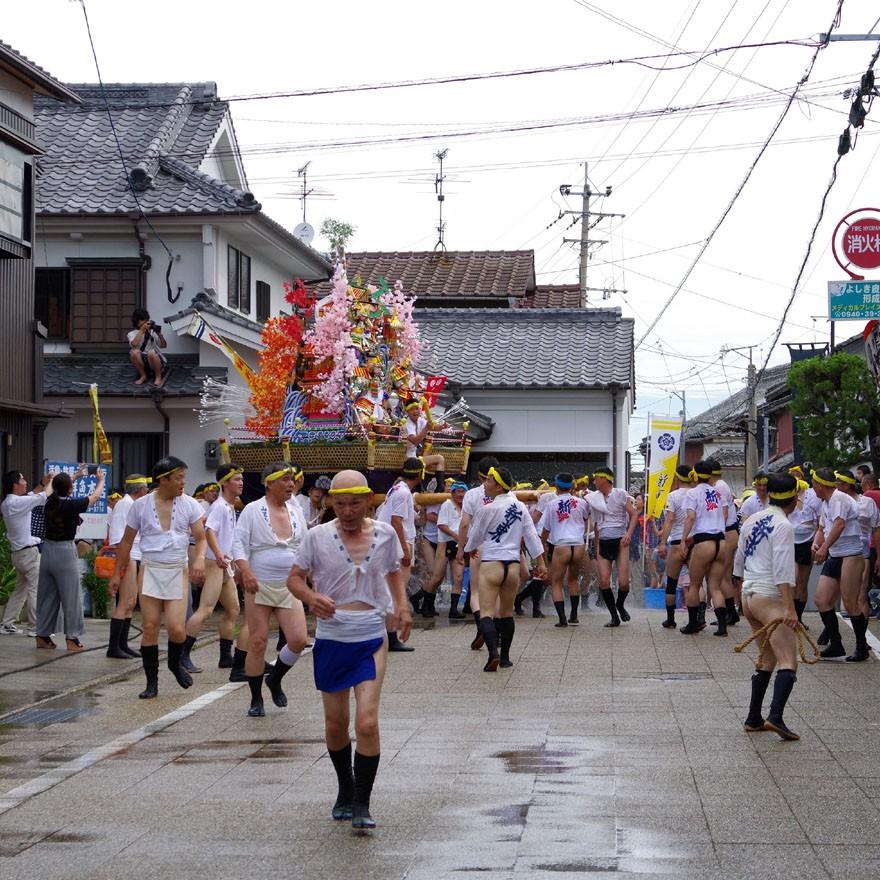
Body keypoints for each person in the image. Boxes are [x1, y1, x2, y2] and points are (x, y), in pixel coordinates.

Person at [287, 469, 411, 830]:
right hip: (332, 637)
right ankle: (345, 786)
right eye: (339, 504)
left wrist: (401, 606)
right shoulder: (316, 537)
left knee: (367, 721)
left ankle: (362, 802)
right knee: (336, 723)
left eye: (354, 503)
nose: (347, 510)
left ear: (369, 500)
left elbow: (393, 572)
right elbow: (294, 579)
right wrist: (311, 597)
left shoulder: (386, 535)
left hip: (371, 635)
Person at [110, 456, 206, 698]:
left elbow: (201, 538)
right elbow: (126, 541)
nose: (183, 483)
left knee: (176, 628)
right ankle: (151, 682)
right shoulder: (140, 505)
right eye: (179, 478)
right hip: (151, 568)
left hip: (177, 569)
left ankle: (174, 663)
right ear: (164, 480)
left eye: (184, 478)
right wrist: (116, 573)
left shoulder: (190, 504)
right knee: (150, 626)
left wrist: (200, 559)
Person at [232, 463, 309, 716]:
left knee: (298, 639)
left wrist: (309, 578)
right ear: (270, 483)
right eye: (285, 480)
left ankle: (274, 679)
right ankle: (256, 699)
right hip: (259, 582)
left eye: (292, 480)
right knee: (258, 641)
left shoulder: (296, 511)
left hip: (289, 583)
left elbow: (305, 547)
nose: (291, 484)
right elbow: (239, 544)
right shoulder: (253, 510)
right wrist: (247, 571)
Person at [734, 473, 801, 741]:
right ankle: (775, 717)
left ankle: (753, 718)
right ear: (794, 498)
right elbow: (783, 569)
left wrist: (740, 594)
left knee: (767, 658)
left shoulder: (753, 518)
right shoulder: (784, 525)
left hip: (750, 593)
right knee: (788, 660)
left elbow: (739, 558)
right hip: (769, 595)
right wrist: (790, 608)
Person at [464, 466, 546, 671]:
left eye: (489, 481)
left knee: (486, 613)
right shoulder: (520, 507)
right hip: (513, 565)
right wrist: (541, 562)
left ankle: (493, 654)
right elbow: (532, 536)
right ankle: (506, 658)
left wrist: (468, 549)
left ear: (499, 487)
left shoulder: (487, 509)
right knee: (507, 613)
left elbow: (475, 536)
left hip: (492, 563)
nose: (485, 484)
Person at [36, 466, 106, 651]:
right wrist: (100, 481)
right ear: (69, 489)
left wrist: (73, 476)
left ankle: (42, 636)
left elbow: (54, 488)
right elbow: (95, 497)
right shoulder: (71, 505)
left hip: (47, 551)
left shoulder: (49, 500)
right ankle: (72, 638)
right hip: (65, 551)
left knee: (47, 596)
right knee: (71, 596)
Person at [183, 464, 243, 671]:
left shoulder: (229, 506)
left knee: (233, 609)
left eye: (241, 479)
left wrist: (232, 560)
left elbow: (227, 537)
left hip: (224, 564)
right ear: (224, 483)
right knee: (206, 610)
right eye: (236, 479)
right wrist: (218, 555)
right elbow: (209, 531)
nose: (241, 483)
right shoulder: (218, 506)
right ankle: (182, 655)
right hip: (214, 563)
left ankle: (226, 656)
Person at [810, 467, 871, 662]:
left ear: (820, 485)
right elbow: (822, 527)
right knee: (821, 599)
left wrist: (824, 548)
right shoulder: (825, 502)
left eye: (813, 484)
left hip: (851, 554)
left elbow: (839, 525)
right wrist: (816, 542)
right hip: (835, 555)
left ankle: (862, 647)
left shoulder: (838, 498)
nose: (812, 487)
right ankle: (836, 643)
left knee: (850, 602)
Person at [679, 460, 729, 636]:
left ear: (695, 474)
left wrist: (684, 540)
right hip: (721, 542)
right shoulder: (717, 493)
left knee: (694, 584)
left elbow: (690, 517)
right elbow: (725, 513)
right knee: (715, 586)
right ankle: (722, 627)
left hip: (704, 542)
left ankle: (693, 624)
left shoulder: (693, 493)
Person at [539, 472, 596, 628]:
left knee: (556, 582)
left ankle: (562, 618)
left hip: (561, 545)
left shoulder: (551, 504)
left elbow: (546, 529)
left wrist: (541, 544)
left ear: (556, 486)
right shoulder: (582, 502)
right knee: (573, 579)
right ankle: (574, 615)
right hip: (578, 545)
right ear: (572, 487)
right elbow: (586, 522)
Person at [375, 459, 420, 651]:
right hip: (397, 544)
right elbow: (396, 521)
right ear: (419, 474)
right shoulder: (402, 492)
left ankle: (385, 633)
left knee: (390, 590)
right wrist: (405, 549)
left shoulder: (396, 488)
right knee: (396, 590)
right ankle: (391, 637)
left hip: (388, 543)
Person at [1, 468, 53, 635]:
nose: (25, 483)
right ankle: (35, 627)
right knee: (34, 589)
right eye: (22, 480)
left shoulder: (8, 503)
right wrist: (51, 483)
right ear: (15, 485)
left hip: (18, 553)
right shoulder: (17, 503)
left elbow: (33, 495)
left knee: (20, 589)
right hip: (28, 553)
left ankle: (7, 623)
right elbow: (43, 496)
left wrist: (43, 483)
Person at [456, 456, 500, 650]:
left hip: (478, 547)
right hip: (499, 547)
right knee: (496, 592)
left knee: (475, 592)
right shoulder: (504, 492)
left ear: (479, 475)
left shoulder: (472, 494)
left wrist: (461, 549)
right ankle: (494, 632)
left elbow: (465, 524)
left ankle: (483, 627)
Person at [106, 474, 150, 659]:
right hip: (128, 556)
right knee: (124, 602)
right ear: (140, 489)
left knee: (131, 602)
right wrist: (122, 563)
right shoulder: (125, 505)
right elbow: (118, 538)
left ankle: (122, 644)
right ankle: (114, 646)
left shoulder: (133, 504)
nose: (147, 491)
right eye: (145, 488)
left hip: (136, 554)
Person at [591, 468, 639, 627]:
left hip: (620, 540)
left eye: (596, 478)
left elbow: (634, 514)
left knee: (624, 582)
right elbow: (597, 525)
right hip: (603, 540)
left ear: (605, 479)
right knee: (604, 581)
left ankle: (620, 605)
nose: (594, 481)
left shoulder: (620, 494)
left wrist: (628, 534)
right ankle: (614, 616)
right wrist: (596, 546)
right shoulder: (595, 498)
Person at [421, 482, 467, 619]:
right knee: (437, 577)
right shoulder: (447, 504)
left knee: (458, 577)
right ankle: (426, 604)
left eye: (462, 492)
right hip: (446, 543)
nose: (460, 494)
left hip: (459, 544)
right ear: (452, 493)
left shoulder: (466, 507)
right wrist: (456, 536)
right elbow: (441, 524)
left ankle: (453, 609)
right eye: (457, 491)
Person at [657, 465, 695, 629]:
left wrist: (662, 542)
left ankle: (671, 620)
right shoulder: (696, 494)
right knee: (696, 582)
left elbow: (670, 519)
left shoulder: (672, 496)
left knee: (672, 582)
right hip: (695, 540)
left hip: (677, 540)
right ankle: (696, 619)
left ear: (677, 478)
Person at [400, 400, 445, 486]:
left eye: (417, 408)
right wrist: (426, 429)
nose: (415, 411)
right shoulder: (407, 423)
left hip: (416, 457)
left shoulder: (420, 420)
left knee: (440, 459)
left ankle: (440, 487)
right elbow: (416, 441)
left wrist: (442, 427)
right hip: (408, 459)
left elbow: (433, 427)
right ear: (407, 412)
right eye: (412, 409)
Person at [128, 308, 168, 388]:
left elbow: (163, 346)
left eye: (146, 320)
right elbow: (134, 344)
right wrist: (142, 330)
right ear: (136, 321)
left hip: (157, 361)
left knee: (151, 352)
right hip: (144, 363)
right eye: (142, 320)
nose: (145, 323)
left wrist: (159, 334)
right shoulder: (131, 334)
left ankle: (158, 377)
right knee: (134, 352)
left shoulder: (152, 332)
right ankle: (143, 376)